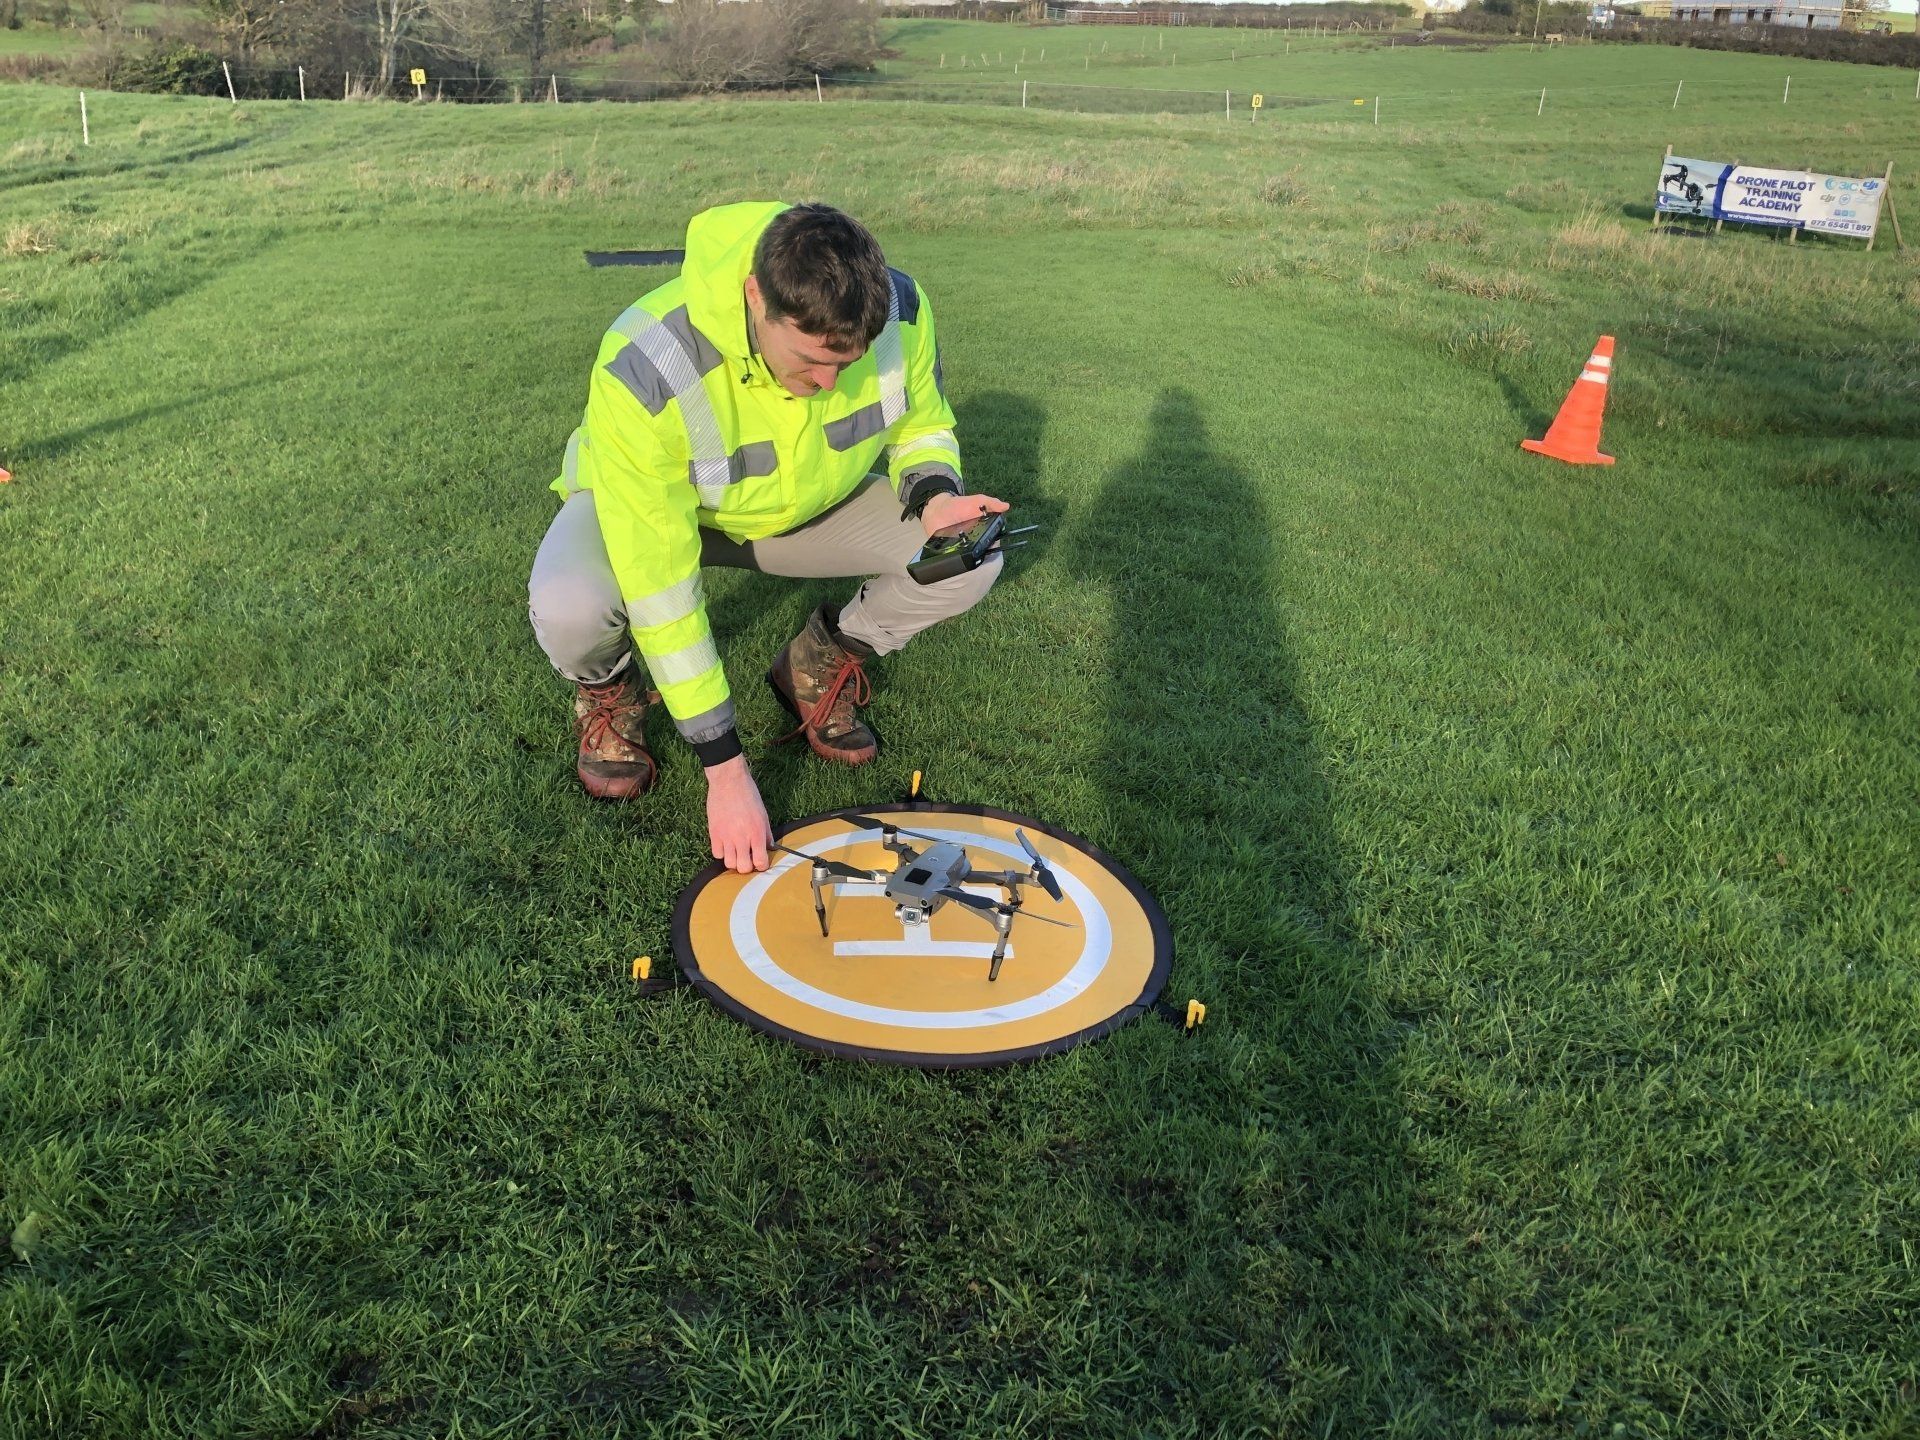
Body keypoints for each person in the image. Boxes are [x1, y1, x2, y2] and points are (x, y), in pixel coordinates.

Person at [528, 202, 1006, 875]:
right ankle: (611, 692)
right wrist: (725, 770)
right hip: (653, 515)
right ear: (757, 296)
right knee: (568, 605)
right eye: (811, 361)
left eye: (847, 363)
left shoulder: (900, 310)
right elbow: (661, 584)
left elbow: (922, 423)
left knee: (967, 561)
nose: (829, 383)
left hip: (804, 512)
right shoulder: (648, 362)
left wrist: (934, 496)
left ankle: (817, 659)